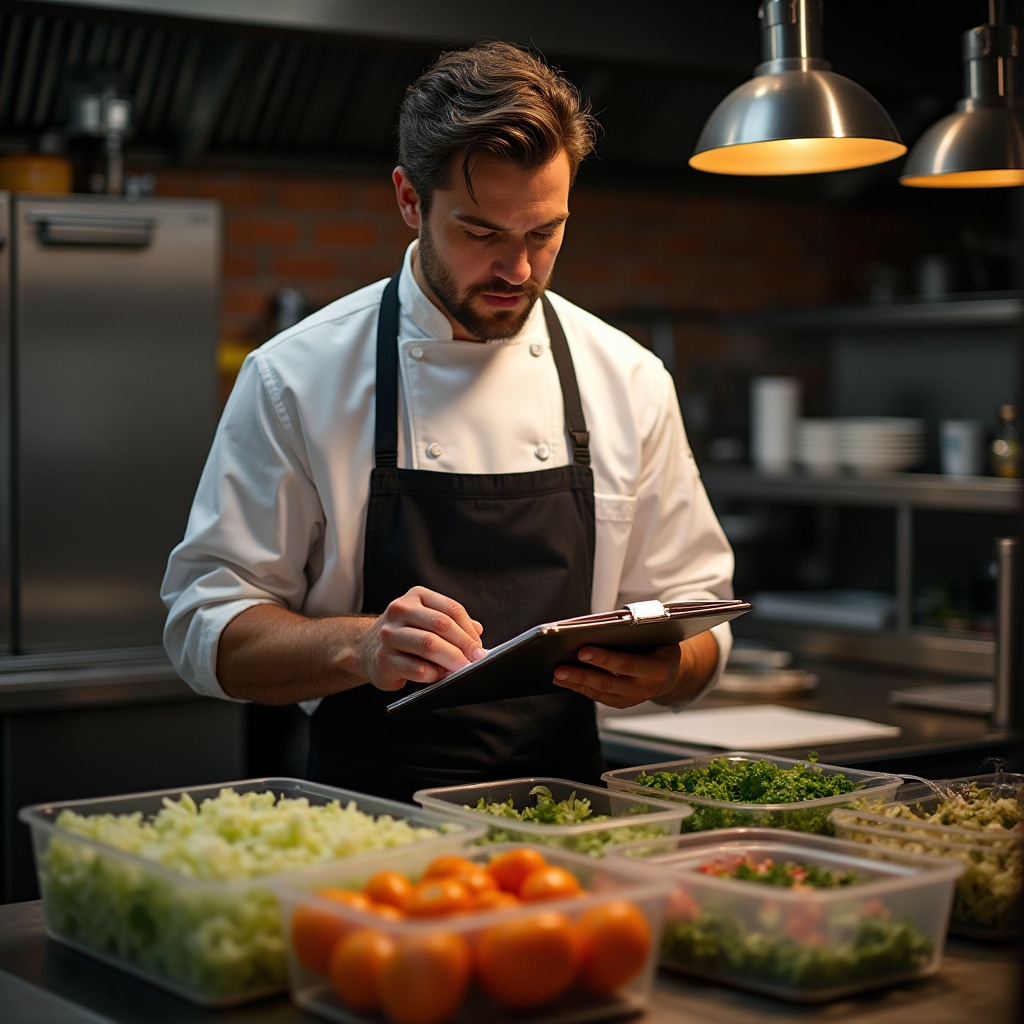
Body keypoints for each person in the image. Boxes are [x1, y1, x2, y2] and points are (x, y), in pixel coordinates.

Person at [161, 40, 735, 803]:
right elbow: (205, 628)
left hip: (568, 821)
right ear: (409, 199)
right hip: (367, 820)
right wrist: (359, 646)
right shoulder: (293, 377)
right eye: (481, 233)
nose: (518, 271)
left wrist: (667, 668)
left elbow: (703, 619)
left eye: (544, 233)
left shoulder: (628, 379)